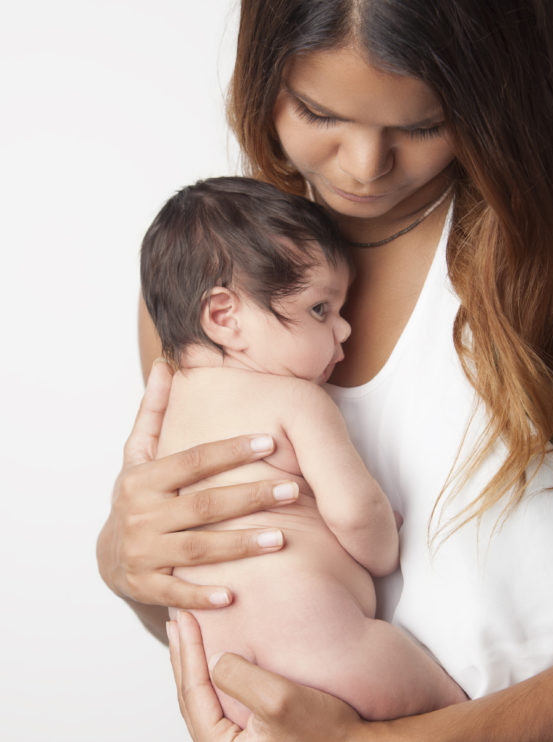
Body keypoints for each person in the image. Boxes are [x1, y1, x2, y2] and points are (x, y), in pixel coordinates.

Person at [97, 0, 553, 739]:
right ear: (264, 71)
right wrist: (130, 565)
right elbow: (245, 601)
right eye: (320, 112)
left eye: (426, 123)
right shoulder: (210, 282)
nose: (364, 166)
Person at [140, 176, 466, 726]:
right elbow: (355, 512)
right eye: (320, 309)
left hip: (230, 689)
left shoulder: (166, 410)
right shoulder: (296, 399)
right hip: (338, 657)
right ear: (224, 316)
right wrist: (383, 539)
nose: (343, 329)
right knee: (460, 716)